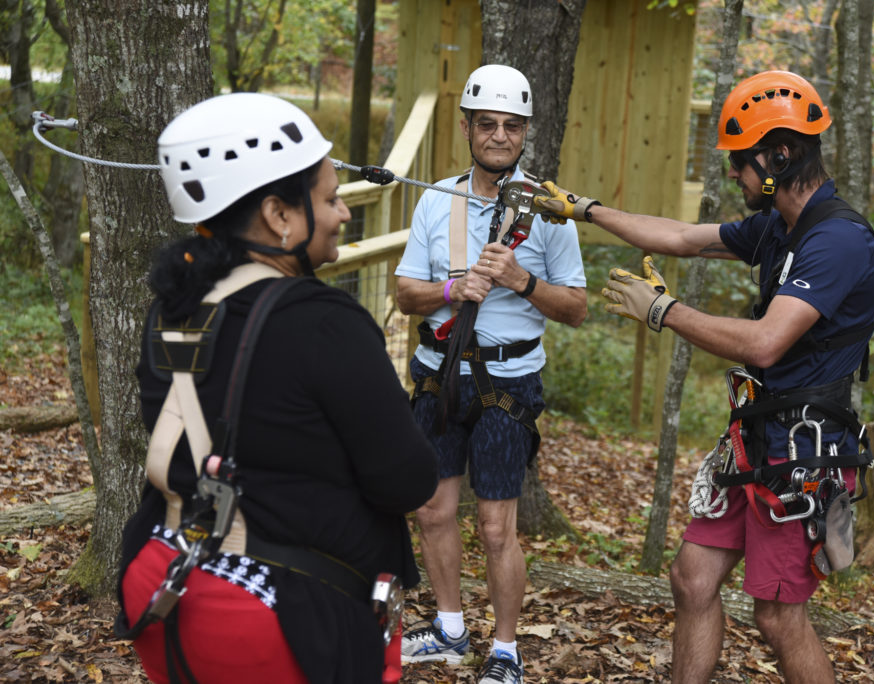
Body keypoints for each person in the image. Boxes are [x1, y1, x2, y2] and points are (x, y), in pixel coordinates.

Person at [533, 70, 874, 683]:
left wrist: (663, 311)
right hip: (758, 436)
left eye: (741, 160)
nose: (732, 173)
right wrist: (585, 210)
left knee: (778, 617)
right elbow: (679, 238)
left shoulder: (838, 241)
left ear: (780, 154)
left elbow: (766, 342)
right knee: (693, 578)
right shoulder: (782, 225)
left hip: (800, 452)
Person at [115, 92, 439, 684]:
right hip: (277, 613)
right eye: (330, 197)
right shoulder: (322, 321)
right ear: (278, 215)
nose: (343, 213)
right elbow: (408, 480)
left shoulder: (175, 307)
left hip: (166, 580)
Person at [394, 64, 587, 684]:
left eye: (510, 126)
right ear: (468, 128)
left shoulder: (550, 212)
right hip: (438, 374)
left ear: (525, 131)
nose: (499, 136)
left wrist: (520, 280)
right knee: (432, 509)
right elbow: (403, 294)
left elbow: (577, 308)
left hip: (508, 381)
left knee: (498, 525)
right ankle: (450, 628)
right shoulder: (437, 198)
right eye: (487, 124)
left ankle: (505, 650)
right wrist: (453, 287)